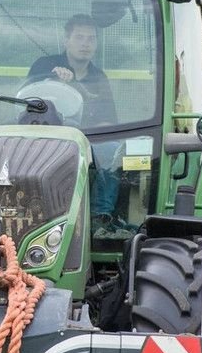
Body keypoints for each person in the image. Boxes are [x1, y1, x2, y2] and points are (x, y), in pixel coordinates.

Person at [28, 14, 134, 239]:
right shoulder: (45, 65)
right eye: (79, 37)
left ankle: (99, 219)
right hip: (45, 138)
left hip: (87, 142)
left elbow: (108, 122)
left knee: (112, 149)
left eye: (91, 39)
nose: (85, 43)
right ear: (66, 40)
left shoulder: (99, 78)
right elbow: (25, 101)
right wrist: (52, 79)